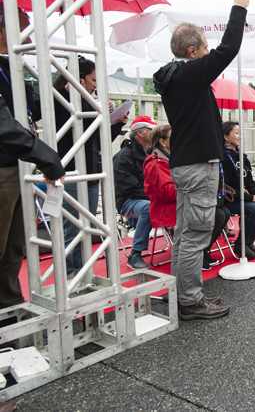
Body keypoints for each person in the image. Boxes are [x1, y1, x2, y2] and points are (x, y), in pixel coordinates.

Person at [152, 0, 250, 320]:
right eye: (205, 48)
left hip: (184, 164)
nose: (209, 53)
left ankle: (181, 295)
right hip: (197, 166)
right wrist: (238, 8)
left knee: (184, 235)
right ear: (192, 51)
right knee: (195, 235)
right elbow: (229, 48)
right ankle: (191, 301)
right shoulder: (189, 74)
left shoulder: (173, 77)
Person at [53, 56, 128, 276]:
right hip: (71, 172)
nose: (96, 85)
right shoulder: (60, 100)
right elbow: (73, 135)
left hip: (91, 172)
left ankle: (82, 271)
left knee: (85, 226)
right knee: (71, 227)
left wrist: (115, 123)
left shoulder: (89, 103)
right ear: (79, 79)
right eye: (93, 80)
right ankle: (68, 274)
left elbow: (97, 140)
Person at [0, 93, 65, 310]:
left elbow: (30, 113)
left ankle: (10, 308)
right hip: (8, 167)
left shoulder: (18, 80)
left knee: (14, 246)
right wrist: (46, 158)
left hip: (19, 166)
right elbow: (5, 125)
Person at [142, 124, 223, 271]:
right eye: (174, 137)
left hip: (183, 201)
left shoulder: (175, 158)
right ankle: (195, 254)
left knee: (222, 213)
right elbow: (167, 193)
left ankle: (202, 251)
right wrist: (193, 184)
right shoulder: (155, 163)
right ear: (162, 141)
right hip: (168, 208)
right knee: (214, 215)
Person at [221, 121, 255, 258]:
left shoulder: (242, 156)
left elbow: (249, 182)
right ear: (226, 136)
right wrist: (250, 198)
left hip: (243, 197)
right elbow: (227, 187)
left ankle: (249, 241)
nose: (240, 136)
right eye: (236, 133)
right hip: (229, 199)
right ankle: (240, 244)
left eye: (241, 133)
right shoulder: (223, 157)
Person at [113, 116, 158, 270]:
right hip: (128, 200)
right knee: (148, 207)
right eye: (152, 130)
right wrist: (156, 196)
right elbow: (128, 188)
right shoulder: (124, 156)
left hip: (149, 197)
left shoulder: (153, 152)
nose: (155, 133)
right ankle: (135, 254)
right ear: (140, 133)